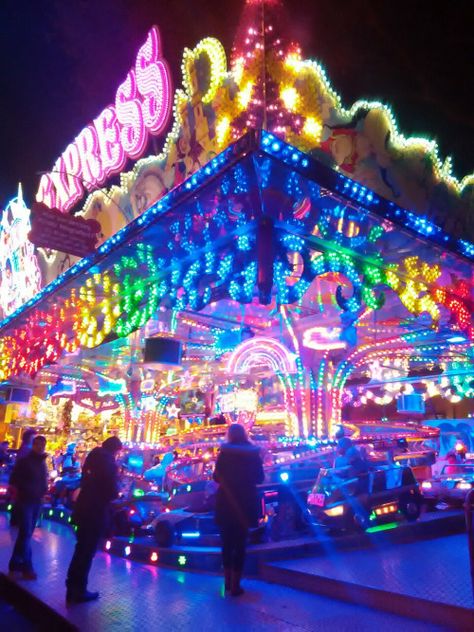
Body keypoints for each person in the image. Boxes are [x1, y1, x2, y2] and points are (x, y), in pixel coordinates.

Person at [66, 436, 122, 604]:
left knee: (81, 549)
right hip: (95, 511)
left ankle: (73, 587)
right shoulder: (108, 462)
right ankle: (78, 590)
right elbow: (110, 488)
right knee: (86, 552)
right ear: (115, 450)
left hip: (84, 508)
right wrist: (116, 495)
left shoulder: (93, 456)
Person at [213, 424, 264, 596]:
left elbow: (216, 477)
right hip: (245, 501)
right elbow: (260, 477)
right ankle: (236, 584)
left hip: (226, 501)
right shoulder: (253, 453)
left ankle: (227, 581)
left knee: (226, 543)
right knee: (241, 544)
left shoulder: (224, 453)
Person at [8, 435, 48, 580]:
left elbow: (42, 481)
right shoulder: (25, 462)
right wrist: (24, 490)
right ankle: (27, 566)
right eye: (37, 444)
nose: (40, 447)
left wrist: (43, 491)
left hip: (36, 501)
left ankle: (14, 563)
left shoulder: (42, 463)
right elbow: (14, 479)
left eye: (42, 445)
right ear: (33, 445)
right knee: (25, 533)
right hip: (25, 501)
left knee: (26, 534)